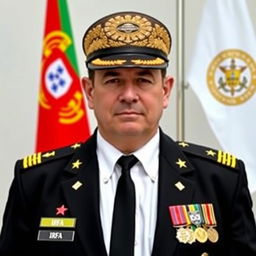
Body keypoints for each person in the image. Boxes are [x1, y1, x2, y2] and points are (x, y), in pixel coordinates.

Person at [0, 11, 256, 256]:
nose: (129, 95)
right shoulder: (36, 182)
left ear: (165, 91)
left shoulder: (221, 181)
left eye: (144, 80)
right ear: (89, 92)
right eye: (113, 80)